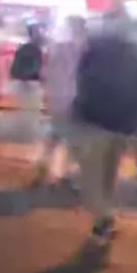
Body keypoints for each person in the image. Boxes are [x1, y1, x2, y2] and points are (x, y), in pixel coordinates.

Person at [70, 8, 137, 244]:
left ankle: (103, 218)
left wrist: (79, 110)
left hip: (97, 120)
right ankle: (102, 222)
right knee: (108, 174)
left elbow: (82, 80)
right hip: (122, 122)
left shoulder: (96, 49)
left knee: (93, 175)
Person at [33, 15, 86, 188]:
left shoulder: (58, 47)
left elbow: (45, 73)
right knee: (75, 138)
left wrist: (48, 93)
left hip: (57, 97)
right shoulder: (86, 50)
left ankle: (42, 165)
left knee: (54, 133)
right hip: (76, 98)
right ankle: (68, 173)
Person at [9, 23, 44, 143]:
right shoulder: (35, 49)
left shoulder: (24, 48)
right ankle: (28, 134)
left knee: (24, 108)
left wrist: (17, 77)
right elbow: (36, 67)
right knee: (32, 109)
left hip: (23, 81)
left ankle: (21, 133)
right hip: (31, 82)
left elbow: (15, 66)